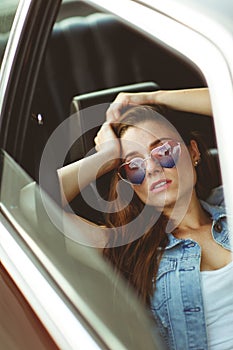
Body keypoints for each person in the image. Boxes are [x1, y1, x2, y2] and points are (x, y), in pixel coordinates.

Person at [58, 88, 233, 350]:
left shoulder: (227, 204)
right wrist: (106, 156)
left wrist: (153, 98)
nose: (151, 168)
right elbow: (29, 200)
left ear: (193, 152)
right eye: (134, 166)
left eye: (163, 151)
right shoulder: (124, 245)